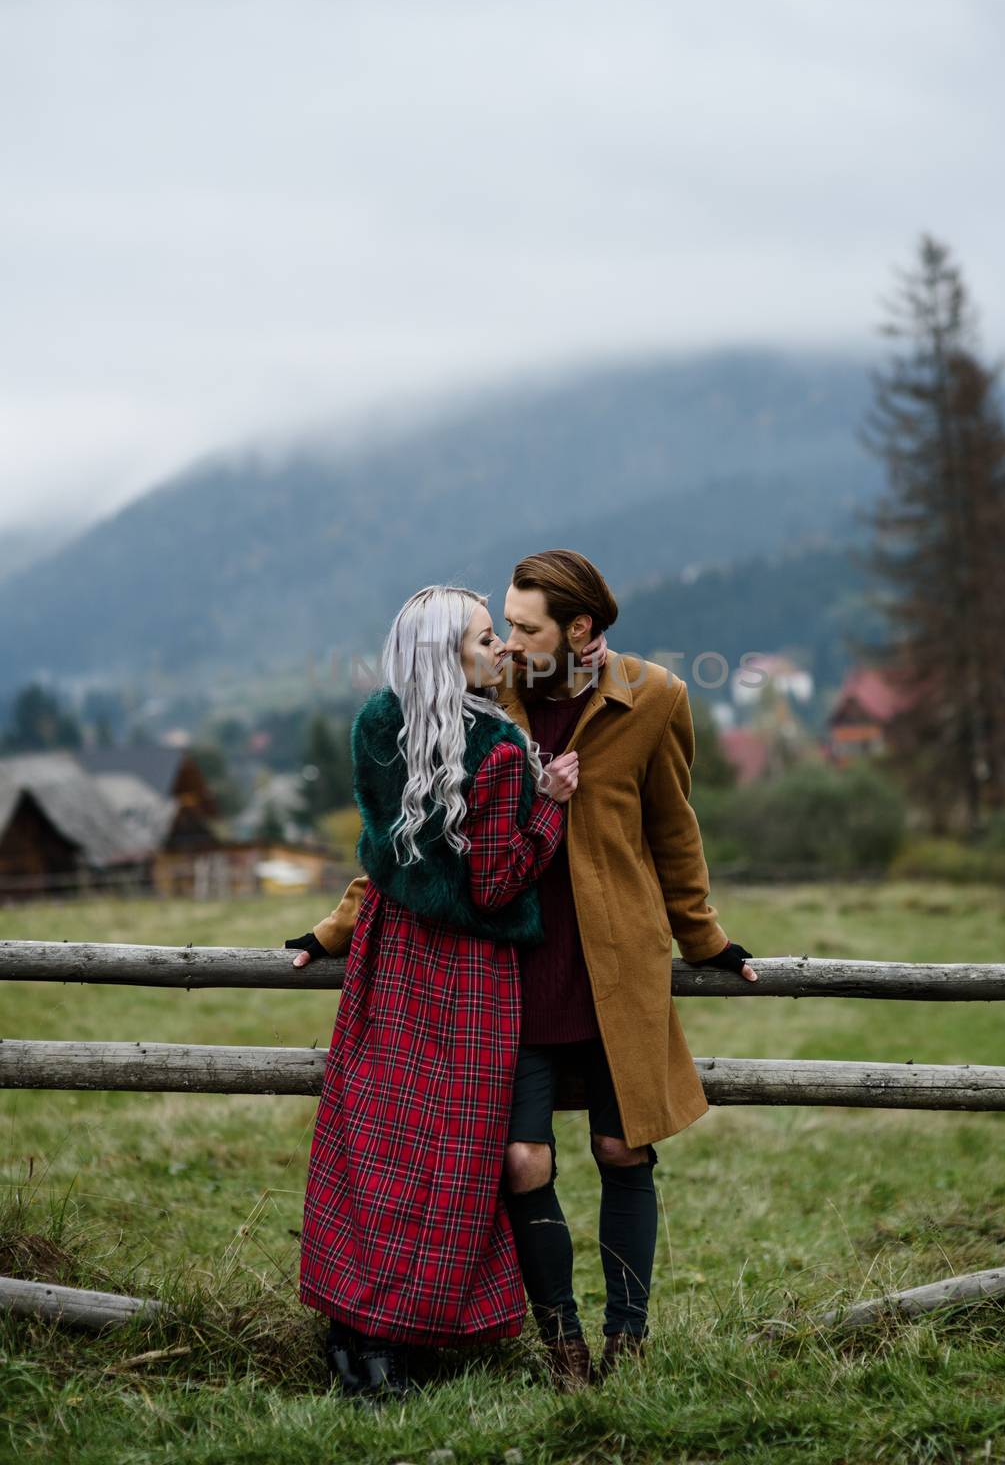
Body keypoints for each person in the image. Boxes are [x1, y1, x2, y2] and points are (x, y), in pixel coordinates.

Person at [299, 550, 757, 1391]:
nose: (508, 641)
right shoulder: (489, 699)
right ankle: (562, 1343)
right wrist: (338, 925)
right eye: (502, 624)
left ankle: (630, 1338)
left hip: (616, 964)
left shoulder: (655, 698)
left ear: (579, 630)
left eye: (525, 625)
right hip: (514, 973)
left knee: (623, 1150)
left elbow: (674, 832)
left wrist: (706, 940)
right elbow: (419, 834)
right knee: (522, 1163)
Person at [284, 583, 593, 1402]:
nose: (501, 651)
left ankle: (356, 1336)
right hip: (466, 979)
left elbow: (388, 858)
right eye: (486, 639)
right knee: (444, 1158)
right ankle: (391, 1345)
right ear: (446, 655)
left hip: (390, 962)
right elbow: (493, 884)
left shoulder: (382, 726)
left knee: (374, 1145)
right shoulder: (495, 751)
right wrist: (552, 809)